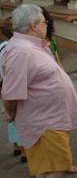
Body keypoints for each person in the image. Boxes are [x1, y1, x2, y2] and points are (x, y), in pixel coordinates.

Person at [1, 4, 77, 178]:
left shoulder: (31, 45)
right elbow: (10, 95)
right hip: (45, 123)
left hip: (50, 119)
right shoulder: (21, 52)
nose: (47, 25)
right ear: (34, 25)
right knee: (54, 170)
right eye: (44, 22)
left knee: (45, 167)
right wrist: (12, 114)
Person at [0, 17, 26, 163]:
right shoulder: (11, 48)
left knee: (11, 119)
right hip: (14, 88)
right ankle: (24, 151)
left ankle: (16, 146)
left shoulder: (2, 47)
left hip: (5, 88)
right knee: (18, 117)